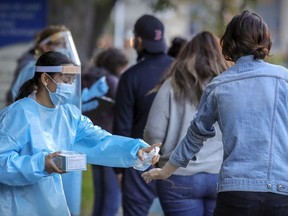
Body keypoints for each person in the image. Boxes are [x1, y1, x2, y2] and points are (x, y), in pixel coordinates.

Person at [142, 10, 288, 216]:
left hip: (235, 192)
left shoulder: (218, 86)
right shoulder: (284, 79)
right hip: (281, 190)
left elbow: (195, 135)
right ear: (265, 40)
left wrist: (166, 171)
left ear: (229, 43)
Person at [0, 51, 160, 216]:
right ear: (46, 79)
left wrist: (135, 149)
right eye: (65, 80)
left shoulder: (68, 115)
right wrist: (41, 164)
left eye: (72, 81)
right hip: (16, 204)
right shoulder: (18, 114)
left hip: (49, 201)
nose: (69, 86)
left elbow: (100, 141)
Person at [143, 31, 231, 216]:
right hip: (221, 176)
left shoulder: (171, 85)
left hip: (177, 176)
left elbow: (153, 133)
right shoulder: (228, 86)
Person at [113, 14, 174, 216]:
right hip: (178, 161)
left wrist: (119, 169)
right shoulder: (180, 71)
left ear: (138, 40)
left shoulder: (131, 76)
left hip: (139, 160)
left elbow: (122, 126)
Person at [82, 48, 129, 216]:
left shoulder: (88, 78)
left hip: (91, 140)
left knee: (100, 194)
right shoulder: (112, 82)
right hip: (110, 140)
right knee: (112, 196)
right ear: (115, 65)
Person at [6, 25, 80, 105]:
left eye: (66, 44)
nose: (65, 48)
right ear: (45, 47)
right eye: (60, 44)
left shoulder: (68, 69)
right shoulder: (31, 69)